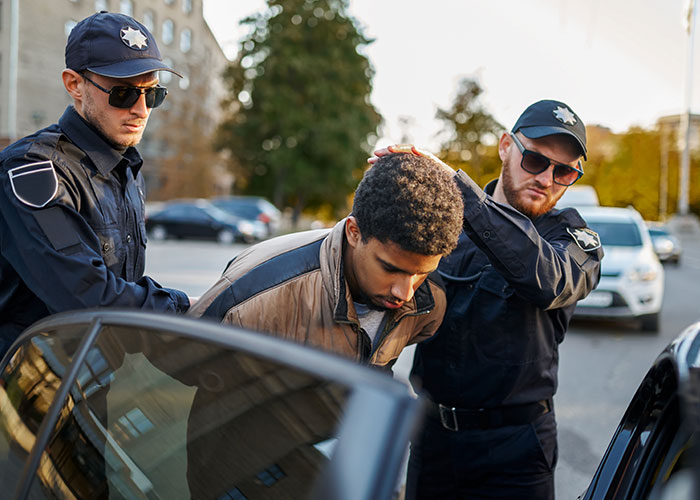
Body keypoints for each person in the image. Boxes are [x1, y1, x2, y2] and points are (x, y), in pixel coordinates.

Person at [386, 100, 603, 500]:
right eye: (535, 160)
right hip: (433, 439)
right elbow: (386, 299)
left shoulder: (574, 240)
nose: (547, 178)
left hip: (517, 451)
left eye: (565, 171)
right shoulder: (447, 221)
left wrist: (457, 189)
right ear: (506, 146)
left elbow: (548, 280)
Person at [0, 11, 190, 357]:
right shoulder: (33, 170)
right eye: (123, 93)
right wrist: (187, 309)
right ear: (74, 84)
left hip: (88, 381)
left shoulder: (127, 169)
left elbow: (125, 291)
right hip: (23, 392)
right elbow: (87, 297)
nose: (141, 109)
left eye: (152, 94)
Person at [189, 152, 464, 368]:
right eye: (390, 268)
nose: (404, 292)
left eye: (421, 274)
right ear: (354, 232)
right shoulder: (253, 294)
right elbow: (181, 365)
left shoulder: (431, 301)